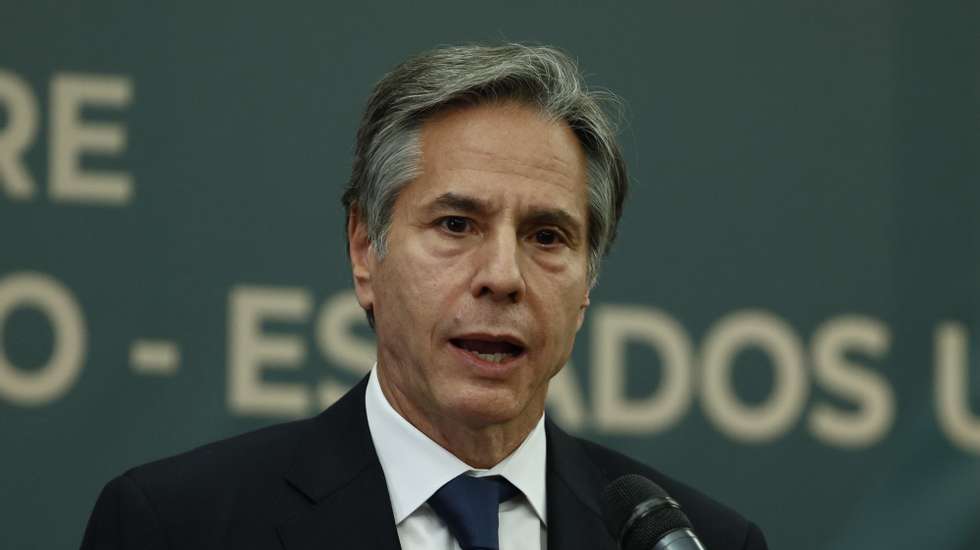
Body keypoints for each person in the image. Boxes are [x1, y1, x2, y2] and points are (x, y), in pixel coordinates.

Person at [81, 44, 768, 550]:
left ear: (587, 283)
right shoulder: (175, 527)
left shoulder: (697, 543)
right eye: (456, 224)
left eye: (547, 236)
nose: (503, 275)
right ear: (363, 249)